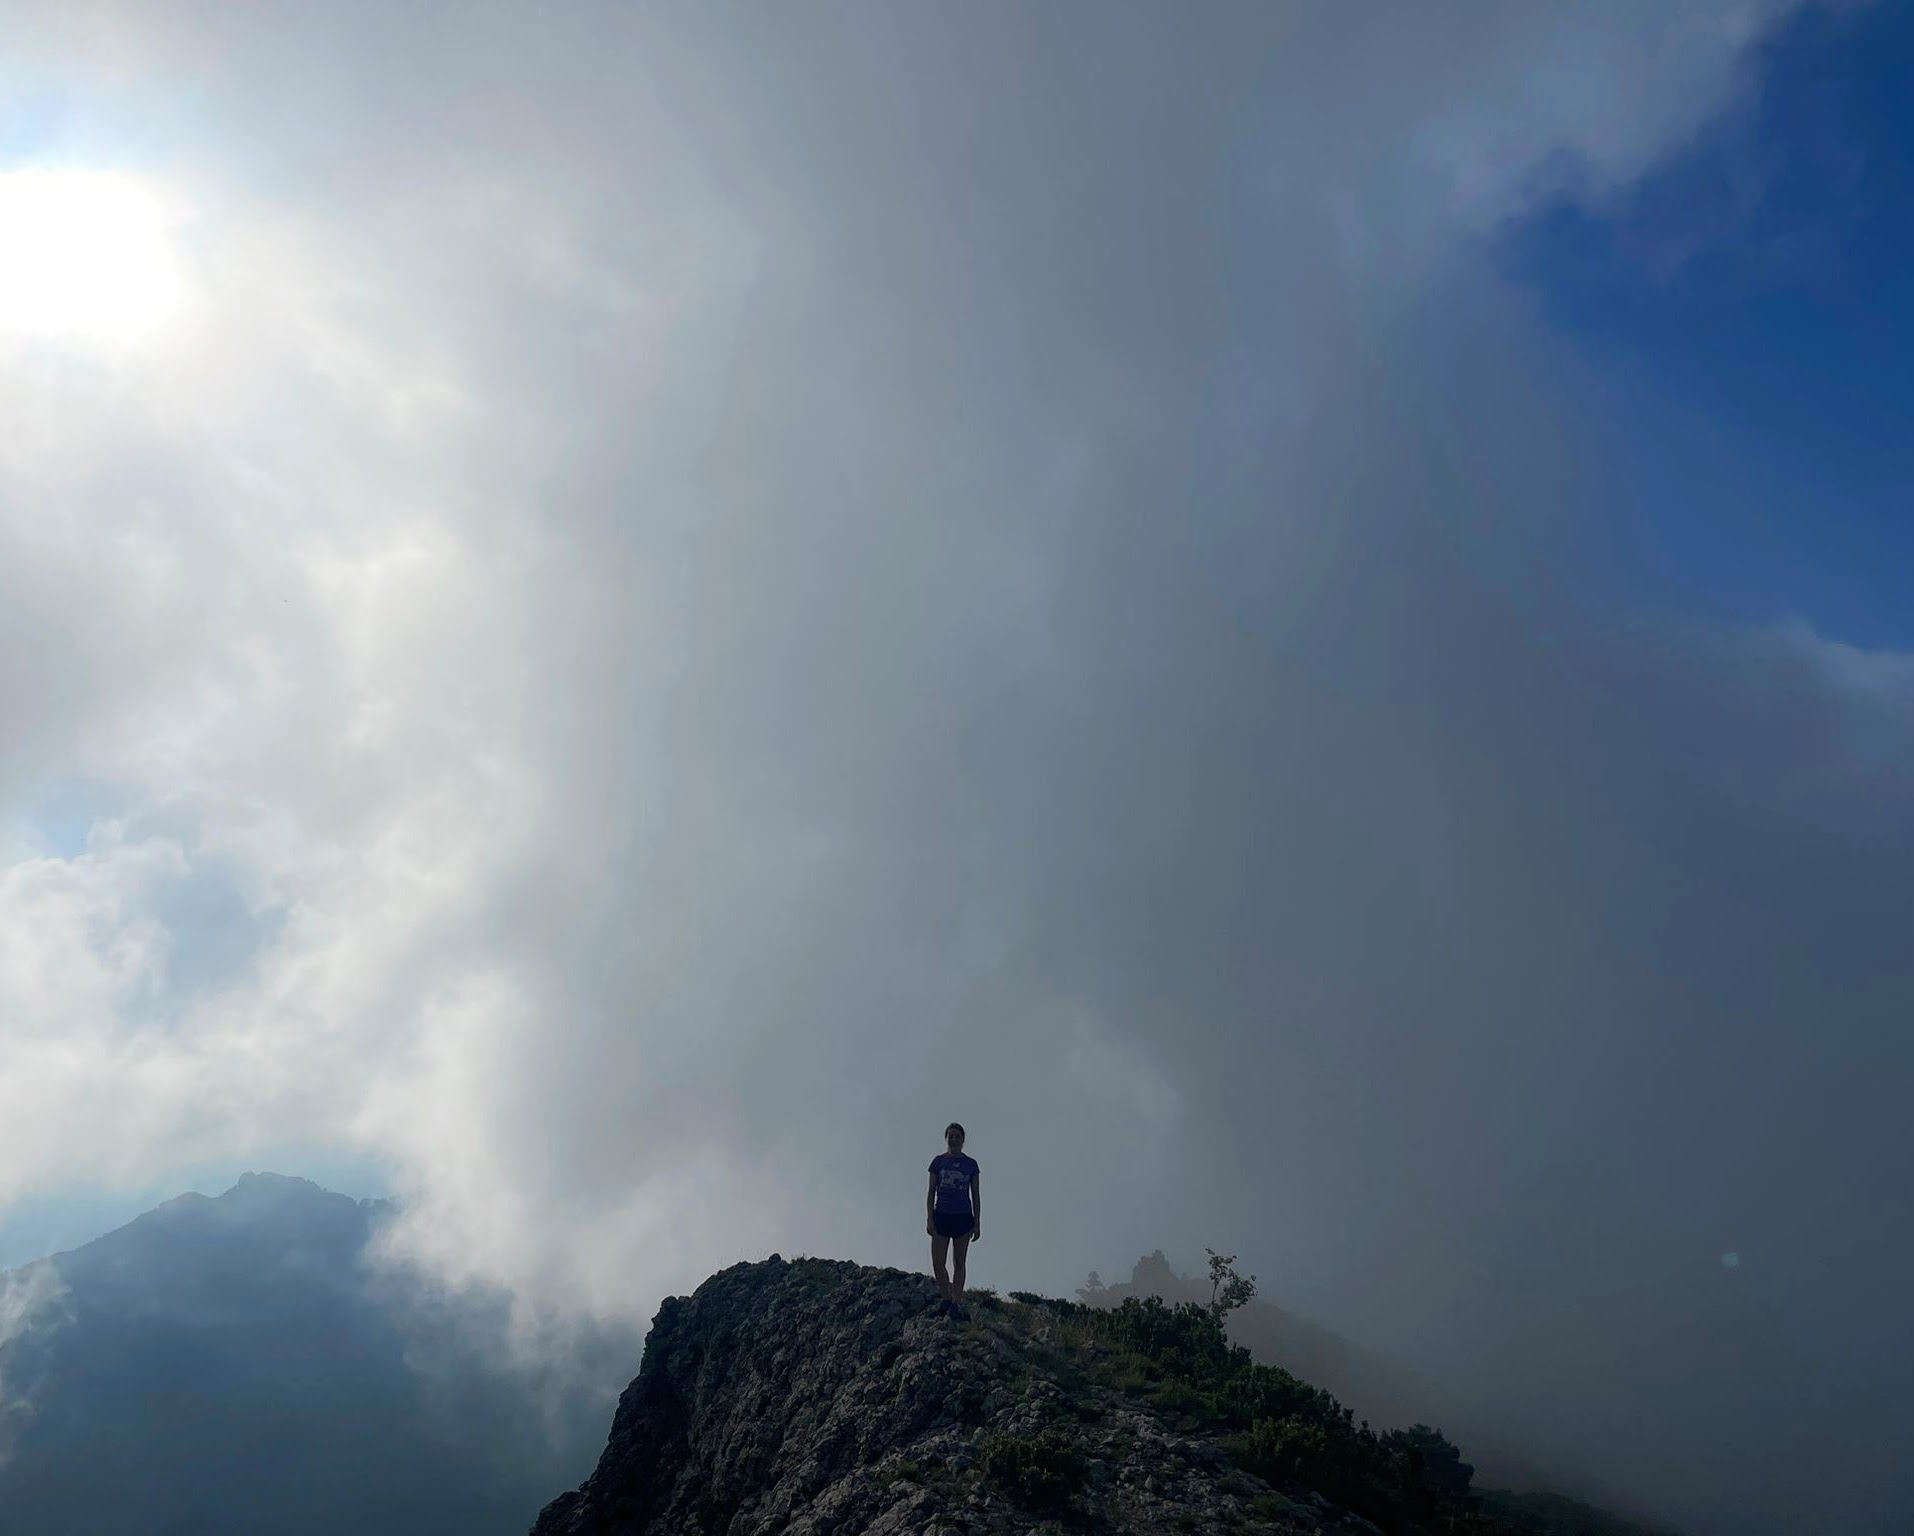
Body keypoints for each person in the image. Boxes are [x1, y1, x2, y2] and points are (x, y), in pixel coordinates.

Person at [926, 1121, 980, 1311]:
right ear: (946, 1138)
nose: (954, 1139)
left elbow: (975, 1195)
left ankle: (956, 1302)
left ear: (963, 1140)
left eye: (958, 1136)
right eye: (951, 1136)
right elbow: (931, 1191)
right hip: (941, 1215)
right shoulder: (938, 1162)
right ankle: (946, 1297)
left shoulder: (971, 1165)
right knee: (938, 1262)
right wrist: (929, 1218)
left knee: (959, 1262)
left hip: (963, 1217)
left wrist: (977, 1223)